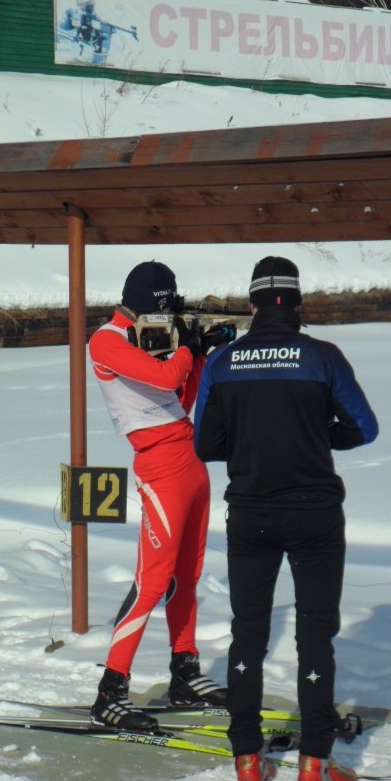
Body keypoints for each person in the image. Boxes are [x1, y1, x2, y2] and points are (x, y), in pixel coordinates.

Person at [193, 256, 379, 781]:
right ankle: (315, 766)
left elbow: (205, 443)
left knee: (248, 632)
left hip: (251, 513)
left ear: (252, 305)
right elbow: (364, 428)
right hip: (315, 513)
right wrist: (319, 437)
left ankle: (248, 762)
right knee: (316, 634)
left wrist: (251, 445)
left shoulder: (224, 362)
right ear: (297, 304)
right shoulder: (323, 357)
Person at [88, 260, 229, 732]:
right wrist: (188, 348)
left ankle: (184, 670)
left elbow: (181, 398)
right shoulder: (106, 339)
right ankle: (111, 690)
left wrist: (203, 354)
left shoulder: (159, 340)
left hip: (190, 457)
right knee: (152, 582)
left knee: (188, 574)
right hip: (159, 465)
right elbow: (167, 378)